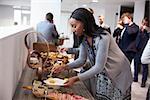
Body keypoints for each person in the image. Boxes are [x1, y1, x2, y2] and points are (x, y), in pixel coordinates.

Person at [53, 8, 132, 100]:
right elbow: (81, 60)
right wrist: (64, 67)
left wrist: (76, 78)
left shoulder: (103, 37)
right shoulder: (84, 39)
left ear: (85, 23)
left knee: (114, 96)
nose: (72, 30)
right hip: (104, 70)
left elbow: (98, 67)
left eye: (74, 26)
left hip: (118, 71)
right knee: (102, 94)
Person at [133, 17, 150, 87]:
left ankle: (143, 81)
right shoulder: (139, 30)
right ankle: (135, 77)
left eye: (145, 23)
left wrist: (148, 30)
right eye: (143, 22)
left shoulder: (148, 31)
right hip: (137, 50)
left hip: (145, 50)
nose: (143, 24)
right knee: (136, 64)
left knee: (144, 66)